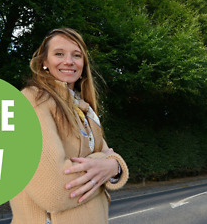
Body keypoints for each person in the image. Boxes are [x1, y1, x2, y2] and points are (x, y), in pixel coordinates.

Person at [10, 28, 128, 223]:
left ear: (83, 64)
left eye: (76, 55)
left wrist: (113, 166)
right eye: (59, 54)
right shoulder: (33, 100)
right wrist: (104, 163)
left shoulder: (84, 108)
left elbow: (114, 161)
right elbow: (54, 190)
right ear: (44, 62)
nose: (69, 61)